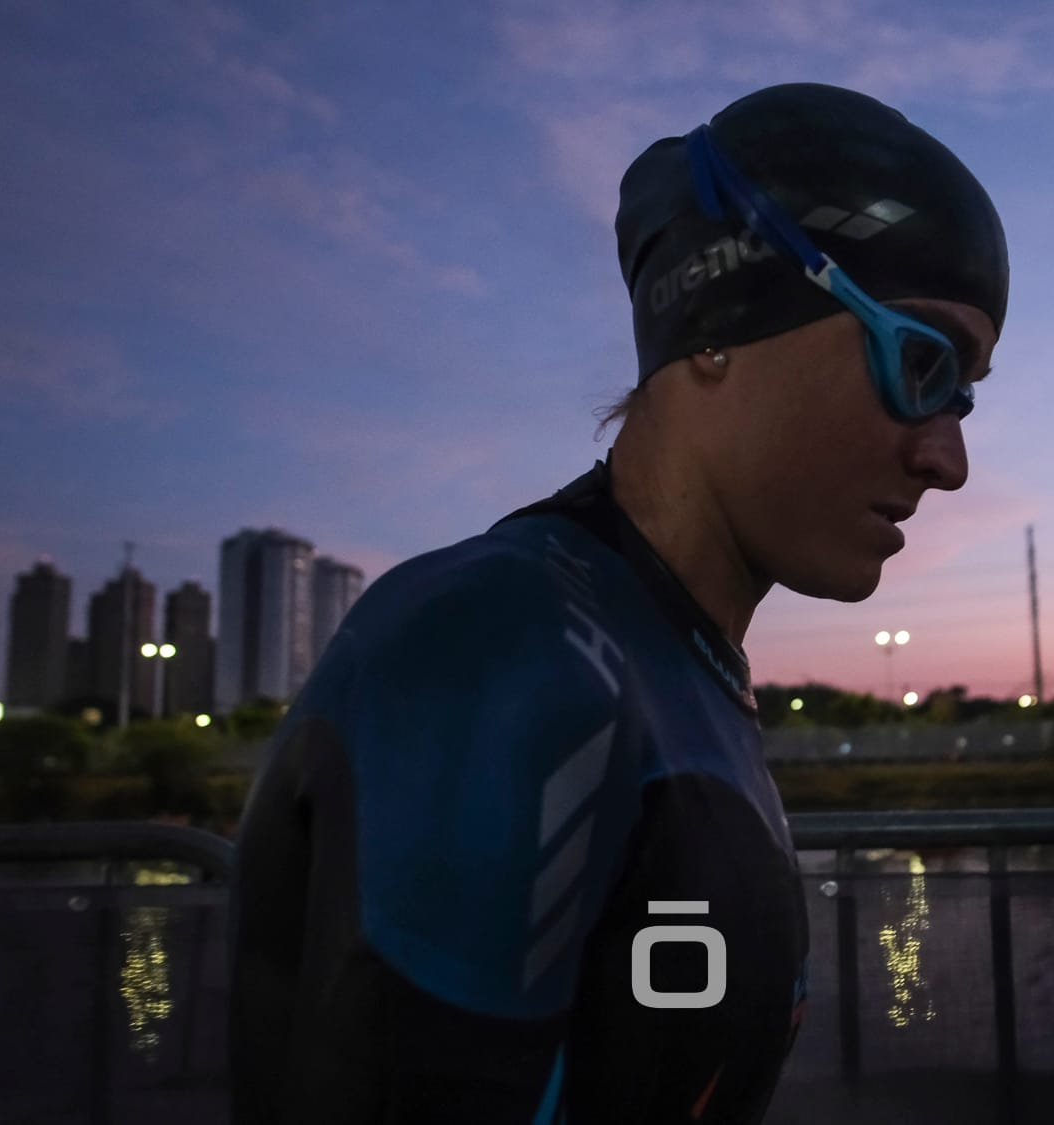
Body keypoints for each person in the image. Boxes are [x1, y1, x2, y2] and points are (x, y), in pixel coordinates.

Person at [228, 82, 1008, 1124]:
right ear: (717, 326)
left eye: (964, 394)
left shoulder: (662, 658)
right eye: (919, 361)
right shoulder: (501, 647)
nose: (949, 459)